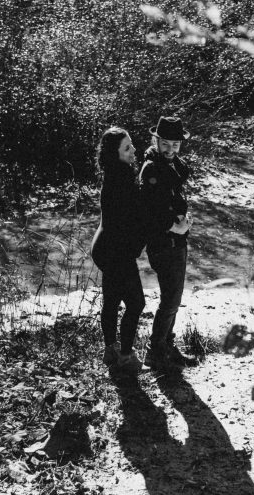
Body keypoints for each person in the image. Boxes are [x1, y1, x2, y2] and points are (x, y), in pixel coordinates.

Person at [139, 116, 194, 370]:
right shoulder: (151, 168)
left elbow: (175, 197)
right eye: (165, 144)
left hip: (177, 240)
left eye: (175, 144)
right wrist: (175, 226)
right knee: (171, 300)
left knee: (174, 297)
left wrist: (184, 221)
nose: (171, 149)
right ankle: (156, 351)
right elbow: (147, 211)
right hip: (164, 242)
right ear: (156, 140)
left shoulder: (172, 164)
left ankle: (167, 347)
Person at [91, 126, 146, 373]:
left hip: (103, 247)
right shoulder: (122, 179)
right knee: (136, 303)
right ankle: (125, 357)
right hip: (115, 251)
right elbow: (134, 219)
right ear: (115, 154)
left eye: (132, 144)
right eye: (127, 148)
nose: (133, 150)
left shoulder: (114, 173)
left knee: (112, 300)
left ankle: (110, 350)